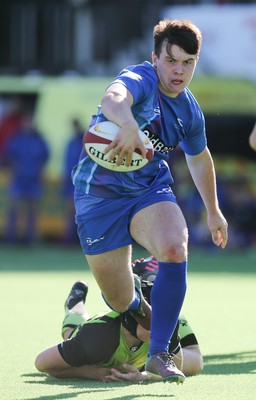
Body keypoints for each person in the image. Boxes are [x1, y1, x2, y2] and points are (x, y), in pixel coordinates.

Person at [72, 19, 228, 383]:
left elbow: (199, 157)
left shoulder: (189, 111)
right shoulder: (140, 79)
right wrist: (127, 123)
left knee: (175, 246)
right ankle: (139, 311)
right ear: (155, 58)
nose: (179, 70)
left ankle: (159, 353)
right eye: (172, 60)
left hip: (148, 190)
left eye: (188, 62)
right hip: (98, 198)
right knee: (119, 299)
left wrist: (215, 211)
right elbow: (114, 98)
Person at [35, 275, 203, 382]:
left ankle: (174, 312)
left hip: (136, 353)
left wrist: (143, 376)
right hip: (93, 337)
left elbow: (177, 369)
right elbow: (42, 363)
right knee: (70, 333)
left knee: (195, 364)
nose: (161, 328)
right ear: (130, 322)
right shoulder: (98, 338)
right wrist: (95, 373)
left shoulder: (165, 333)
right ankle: (74, 303)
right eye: (152, 321)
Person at [4, 113, 49, 244]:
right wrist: (15, 168)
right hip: (19, 179)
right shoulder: (16, 138)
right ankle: (11, 238)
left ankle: (29, 238)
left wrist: (38, 169)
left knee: (32, 209)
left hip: (33, 180)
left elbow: (45, 156)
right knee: (14, 208)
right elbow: (9, 155)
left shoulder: (39, 140)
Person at [62, 119, 84, 244]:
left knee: (80, 213)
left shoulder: (84, 142)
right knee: (71, 211)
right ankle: (70, 238)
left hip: (81, 182)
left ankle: (78, 239)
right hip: (71, 182)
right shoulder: (72, 142)